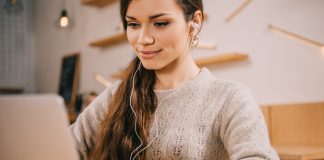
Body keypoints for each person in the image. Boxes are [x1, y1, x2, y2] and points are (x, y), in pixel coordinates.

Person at [70, 0, 279, 159]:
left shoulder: (229, 98)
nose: (143, 39)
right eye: (133, 24)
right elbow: (63, 147)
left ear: (194, 23)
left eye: (160, 23)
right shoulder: (116, 96)